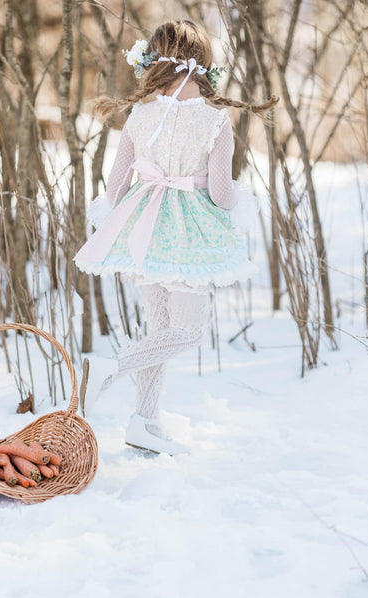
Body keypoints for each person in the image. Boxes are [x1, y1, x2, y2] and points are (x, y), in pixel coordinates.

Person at [74, 20, 278, 455]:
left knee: (161, 329)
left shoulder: (140, 113)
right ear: (202, 64)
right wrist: (233, 202)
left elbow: (114, 189)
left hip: (143, 229)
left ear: (155, 60)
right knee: (187, 332)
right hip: (188, 238)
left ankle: (144, 422)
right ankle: (110, 368)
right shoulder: (214, 118)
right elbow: (222, 195)